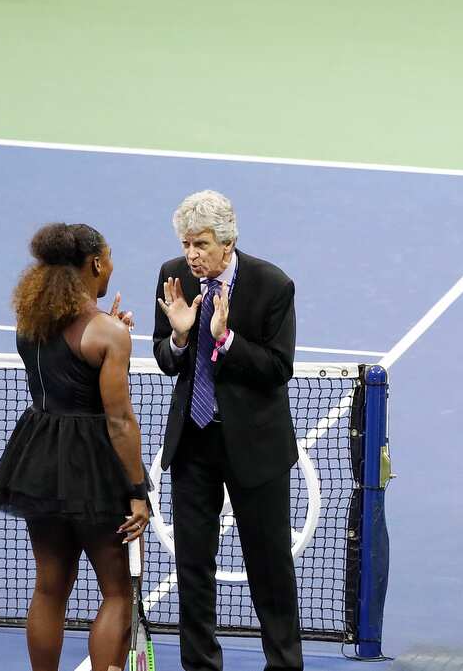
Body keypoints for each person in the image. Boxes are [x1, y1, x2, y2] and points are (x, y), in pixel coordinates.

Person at [152, 189, 303, 671]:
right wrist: (178, 335)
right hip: (193, 444)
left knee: (270, 567)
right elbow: (164, 357)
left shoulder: (272, 285)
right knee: (193, 568)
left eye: (200, 244)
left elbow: (279, 368)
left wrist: (226, 339)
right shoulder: (172, 276)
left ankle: (283, 664)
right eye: (186, 243)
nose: (191, 254)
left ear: (226, 240)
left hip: (255, 448)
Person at [0, 222, 148, 671]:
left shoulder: (29, 321)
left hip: (37, 461)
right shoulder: (108, 335)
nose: (112, 267)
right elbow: (119, 421)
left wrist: (108, 330)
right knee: (117, 589)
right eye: (110, 258)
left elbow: (65, 369)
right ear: (96, 263)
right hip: (93, 470)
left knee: (49, 587)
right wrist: (137, 490)